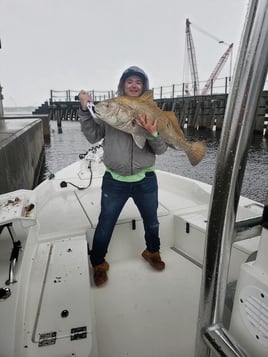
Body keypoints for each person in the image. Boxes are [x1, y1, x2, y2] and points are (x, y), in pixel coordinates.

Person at [78, 66, 168, 287]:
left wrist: (152, 133)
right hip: (115, 181)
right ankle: (98, 263)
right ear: (122, 85)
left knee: (152, 223)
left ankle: (152, 252)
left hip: (145, 179)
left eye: (139, 81)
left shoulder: (151, 111)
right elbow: (92, 137)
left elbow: (161, 149)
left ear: (143, 86)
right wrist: (83, 110)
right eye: (130, 81)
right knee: (105, 224)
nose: (134, 85)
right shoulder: (112, 110)